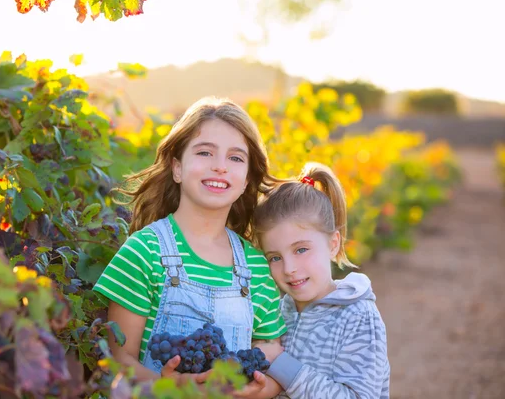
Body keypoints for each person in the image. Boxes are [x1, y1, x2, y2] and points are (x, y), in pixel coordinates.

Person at [92, 97, 287, 387]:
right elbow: (118, 363)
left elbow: (270, 347)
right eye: (205, 153)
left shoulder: (256, 267)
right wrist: (171, 388)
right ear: (177, 168)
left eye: (235, 158)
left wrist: (267, 389)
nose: (220, 167)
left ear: (246, 179)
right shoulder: (143, 253)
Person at [251, 162, 390, 398]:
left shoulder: (357, 316)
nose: (289, 269)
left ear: (333, 243)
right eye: (275, 257)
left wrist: (281, 363)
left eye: (301, 250)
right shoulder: (277, 312)